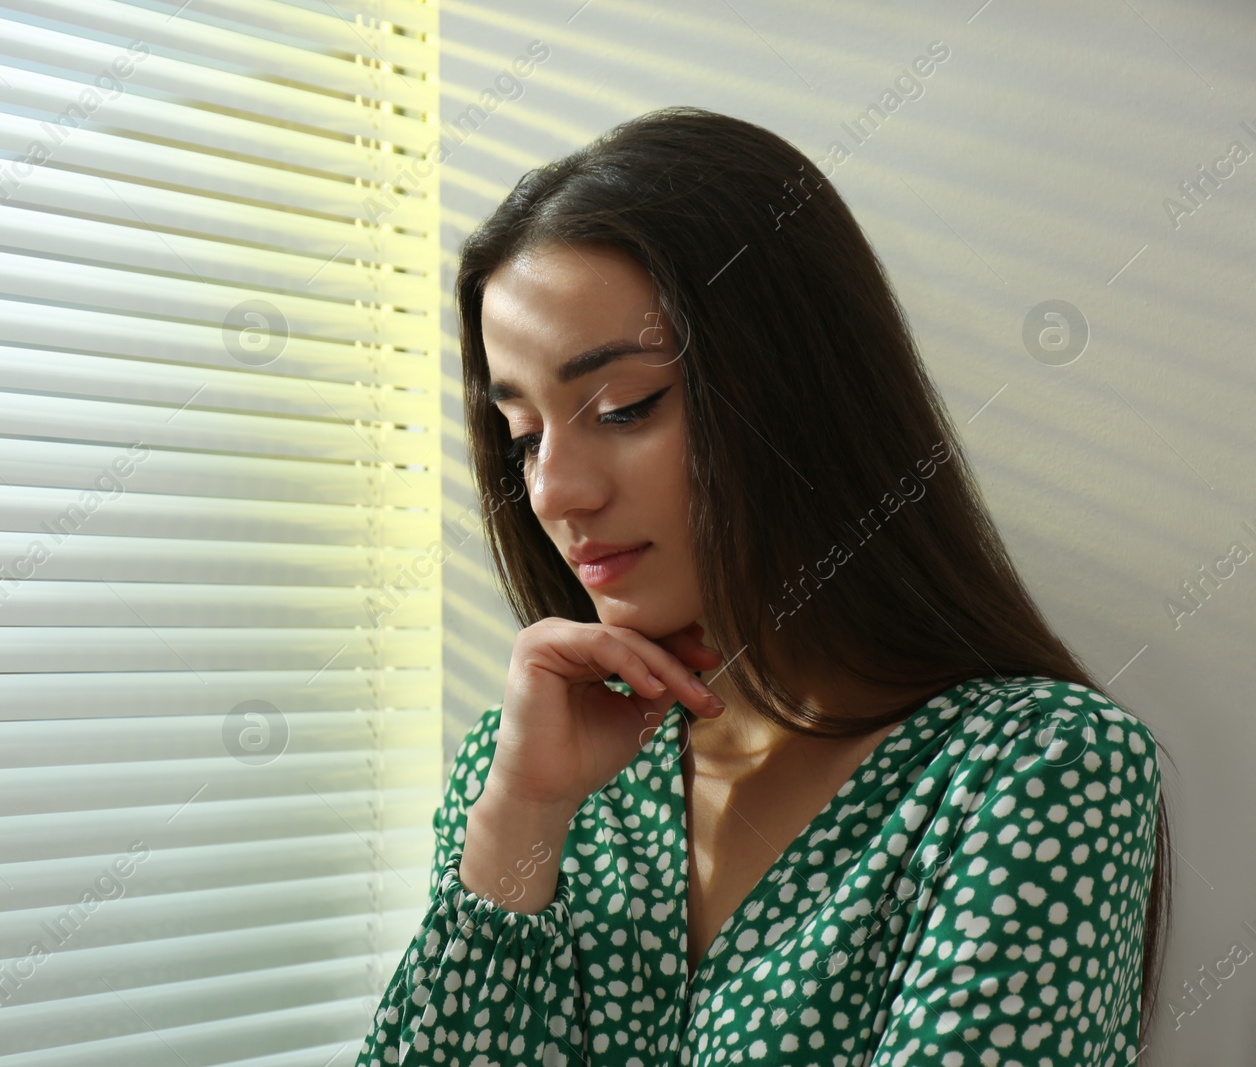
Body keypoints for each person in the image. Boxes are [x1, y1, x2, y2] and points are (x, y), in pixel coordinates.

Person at [354, 106, 1171, 1066]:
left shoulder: (1031, 772)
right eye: (524, 436)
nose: (554, 491)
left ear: (798, 389)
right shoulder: (531, 770)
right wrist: (520, 819)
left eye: (624, 408)